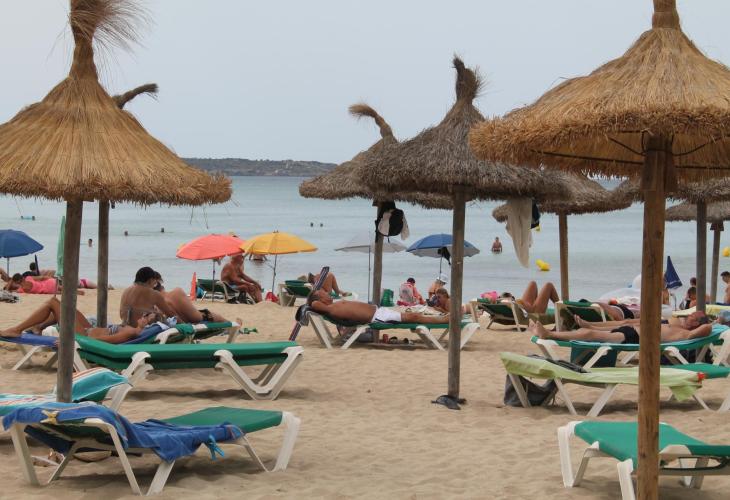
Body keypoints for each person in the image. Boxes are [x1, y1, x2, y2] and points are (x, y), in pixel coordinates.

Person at [0, 296, 156, 343]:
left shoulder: (132, 332)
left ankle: (17, 330)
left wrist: (71, 341)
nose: (142, 316)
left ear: (148, 322)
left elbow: (103, 342)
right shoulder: (134, 330)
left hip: (84, 336)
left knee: (52, 302)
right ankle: (38, 327)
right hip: (88, 330)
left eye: (145, 316)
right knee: (67, 307)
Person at [121, 267, 228, 326]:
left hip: (126, 325)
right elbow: (171, 314)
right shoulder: (152, 293)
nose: (153, 285)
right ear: (150, 280)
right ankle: (229, 324)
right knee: (209, 315)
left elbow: (123, 313)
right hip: (141, 329)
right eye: (153, 282)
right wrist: (185, 327)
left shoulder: (126, 291)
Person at [531, 311, 713, 345]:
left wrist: (712, 322)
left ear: (697, 323)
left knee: (589, 334)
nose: (689, 315)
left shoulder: (687, 334)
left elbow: (707, 329)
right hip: (633, 332)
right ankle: (548, 333)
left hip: (635, 338)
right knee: (588, 332)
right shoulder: (677, 325)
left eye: (694, 316)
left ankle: (549, 334)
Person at [308, 289, 448, 325]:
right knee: (414, 316)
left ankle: (442, 318)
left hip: (379, 312)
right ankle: (443, 320)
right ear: (320, 300)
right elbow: (313, 304)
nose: (326, 292)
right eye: (322, 293)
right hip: (377, 317)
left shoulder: (333, 305)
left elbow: (316, 302)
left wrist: (317, 295)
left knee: (413, 315)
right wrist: (312, 298)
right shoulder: (329, 308)